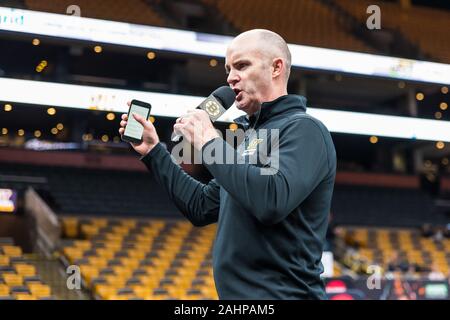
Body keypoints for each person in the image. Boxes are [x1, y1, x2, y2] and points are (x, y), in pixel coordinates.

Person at [119, 29, 337, 299]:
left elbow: (271, 200)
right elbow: (200, 206)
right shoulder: (248, 140)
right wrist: (153, 151)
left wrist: (209, 141)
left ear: (276, 67)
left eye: (242, 65)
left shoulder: (305, 130)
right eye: (228, 69)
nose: (231, 77)